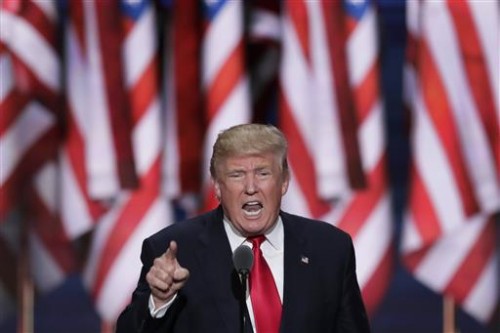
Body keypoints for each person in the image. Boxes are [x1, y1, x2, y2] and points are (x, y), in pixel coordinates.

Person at [116, 123, 370, 333]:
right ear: (217, 186)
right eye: (237, 175)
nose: (251, 187)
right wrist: (160, 301)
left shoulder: (329, 248)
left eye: (262, 173)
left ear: (284, 182)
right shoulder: (175, 251)